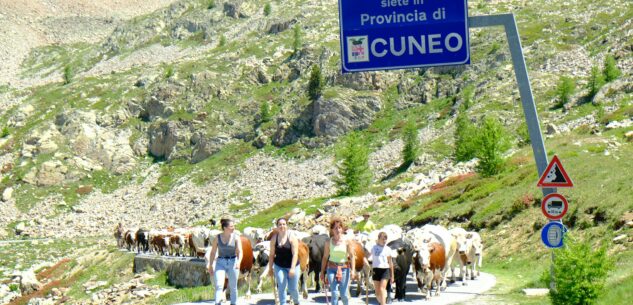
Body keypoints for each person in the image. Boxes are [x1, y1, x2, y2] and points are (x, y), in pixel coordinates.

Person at [320, 217, 356, 305]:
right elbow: (325, 257)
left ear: (342, 229)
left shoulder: (347, 241)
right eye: (335, 228)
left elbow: (352, 256)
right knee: (334, 293)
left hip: (344, 268)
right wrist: (322, 272)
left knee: (343, 294)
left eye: (339, 227)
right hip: (331, 268)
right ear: (332, 230)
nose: (338, 230)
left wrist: (353, 270)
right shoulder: (328, 242)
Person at [206, 219, 243, 305]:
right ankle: (218, 303)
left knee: (233, 287)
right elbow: (213, 252)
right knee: (219, 285)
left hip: (233, 261)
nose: (233, 228)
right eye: (231, 226)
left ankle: (234, 303)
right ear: (225, 228)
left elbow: (240, 251)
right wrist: (210, 265)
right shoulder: (217, 238)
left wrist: (239, 262)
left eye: (233, 226)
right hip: (220, 262)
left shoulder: (236, 237)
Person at [268, 218, 301, 305]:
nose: (282, 226)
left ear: (287, 226)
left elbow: (295, 254)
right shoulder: (274, 239)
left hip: (293, 265)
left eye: (284, 224)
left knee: (293, 288)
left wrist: (293, 268)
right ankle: (283, 303)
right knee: (281, 286)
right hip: (279, 265)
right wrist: (270, 268)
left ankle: (296, 302)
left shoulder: (292, 237)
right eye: (280, 224)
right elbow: (271, 255)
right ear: (277, 226)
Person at [371, 232, 395, 305]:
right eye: (382, 239)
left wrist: (392, 276)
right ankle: (382, 302)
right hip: (375, 270)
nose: (384, 241)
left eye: (385, 239)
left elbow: (390, 263)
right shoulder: (373, 248)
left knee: (382, 289)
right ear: (378, 239)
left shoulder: (388, 249)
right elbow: (366, 255)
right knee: (377, 292)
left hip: (385, 270)